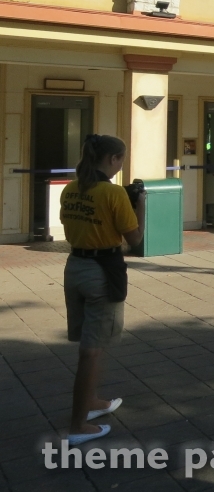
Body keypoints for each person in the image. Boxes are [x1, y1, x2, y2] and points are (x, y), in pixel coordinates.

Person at [59, 135, 142, 446]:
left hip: (75, 267)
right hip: (102, 272)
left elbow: (69, 223)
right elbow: (134, 239)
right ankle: (78, 424)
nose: (120, 165)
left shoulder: (71, 188)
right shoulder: (113, 192)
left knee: (88, 343)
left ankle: (91, 401)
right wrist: (141, 205)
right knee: (92, 352)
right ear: (112, 160)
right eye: (120, 159)